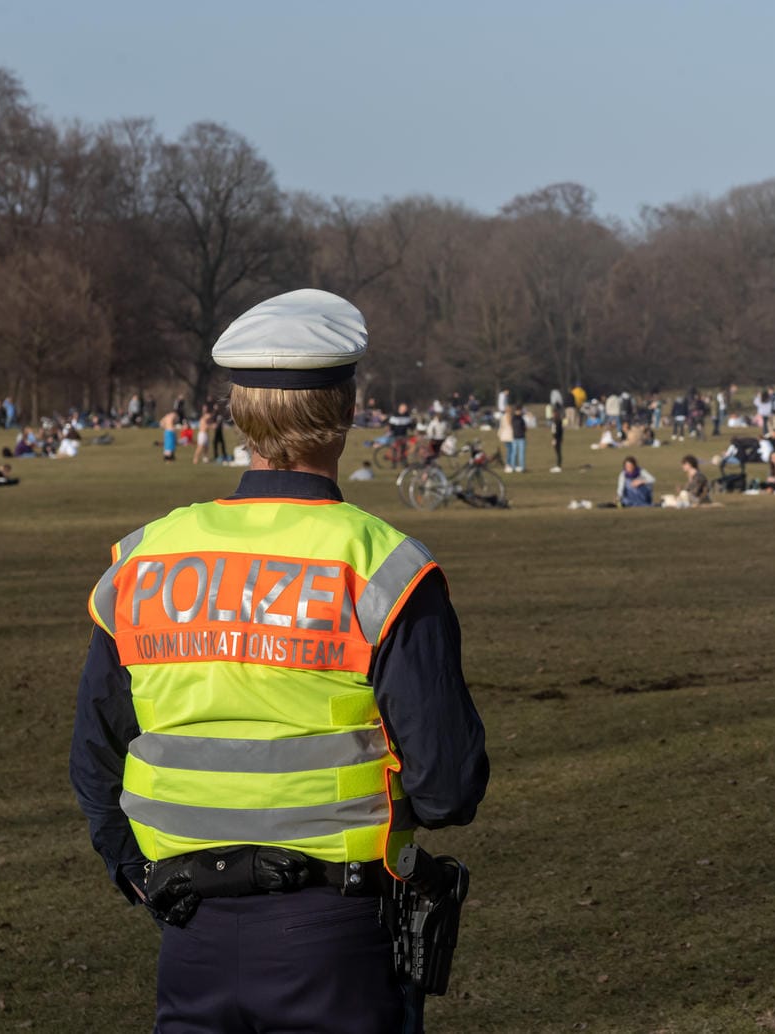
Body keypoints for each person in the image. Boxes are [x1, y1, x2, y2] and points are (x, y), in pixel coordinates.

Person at [70, 288, 489, 1033]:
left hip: (188, 926)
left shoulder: (143, 560)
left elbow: (95, 753)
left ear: (237, 412)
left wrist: (131, 869)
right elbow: (448, 785)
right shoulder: (383, 566)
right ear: (349, 408)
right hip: (338, 932)